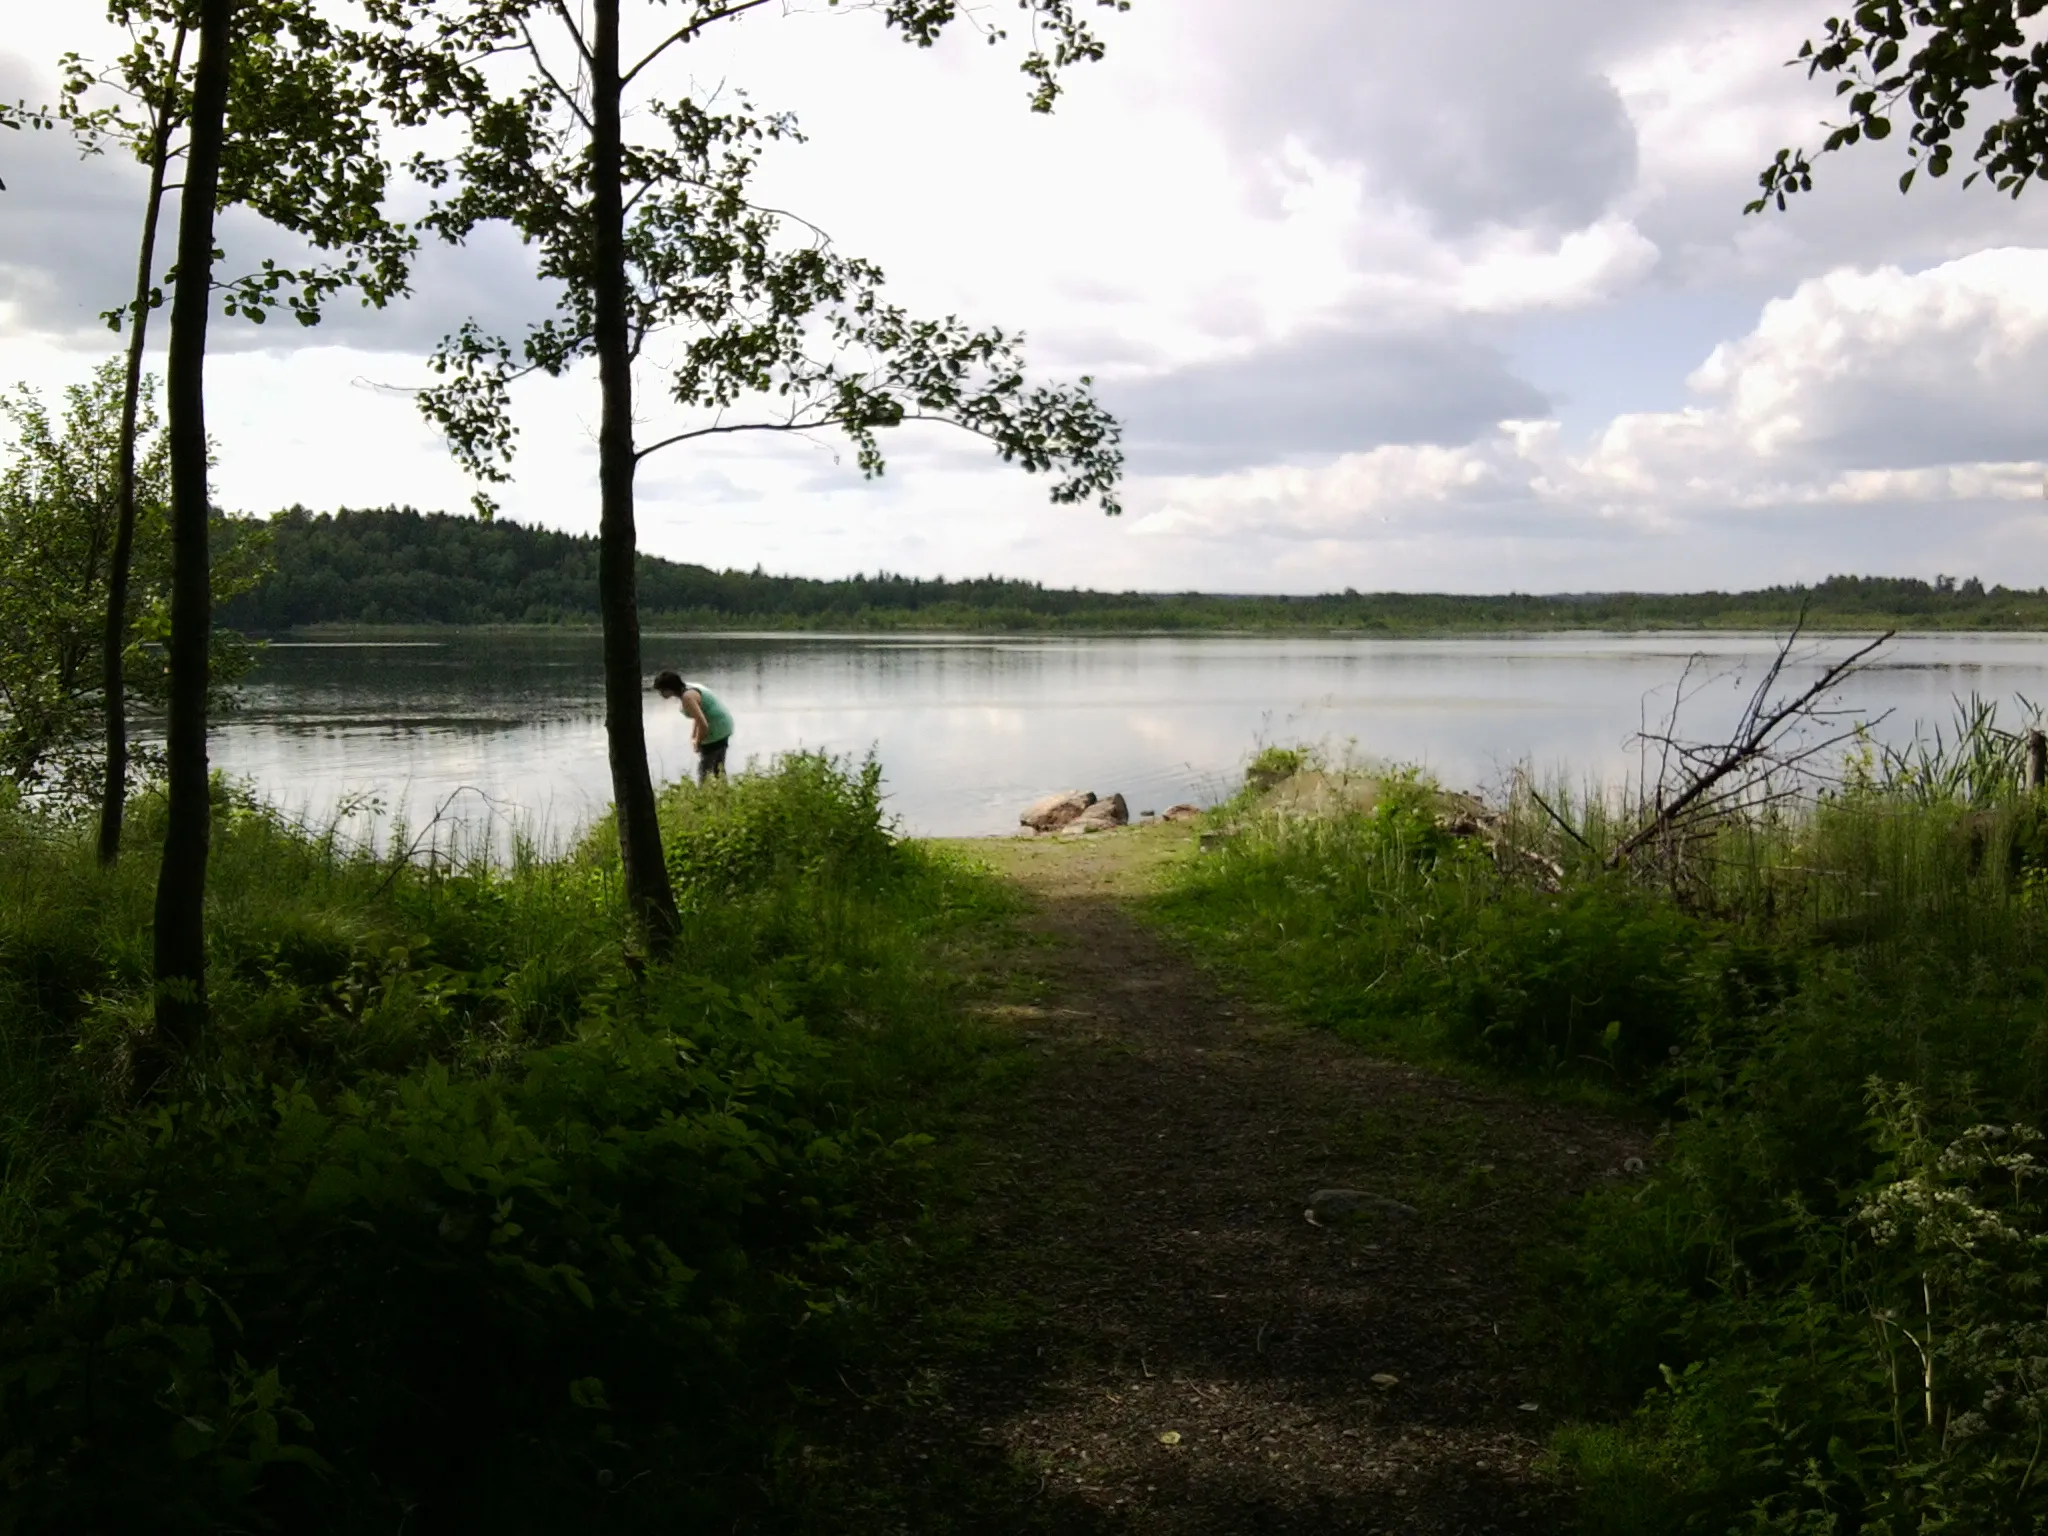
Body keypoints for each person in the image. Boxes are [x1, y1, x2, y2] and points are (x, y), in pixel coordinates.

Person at [652, 669, 735, 783]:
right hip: (724, 726)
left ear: (669, 689)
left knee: (704, 771)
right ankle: (724, 794)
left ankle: (701, 796)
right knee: (718, 769)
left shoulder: (687, 698)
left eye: (661, 690)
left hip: (715, 729)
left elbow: (703, 724)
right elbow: (699, 716)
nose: (660, 693)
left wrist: (698, 742)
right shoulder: (690, 688)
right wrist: (693, 736)